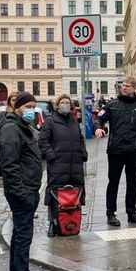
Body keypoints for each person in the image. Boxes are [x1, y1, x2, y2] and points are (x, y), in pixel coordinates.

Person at [0, 92, 43, 271]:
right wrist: (22, 194)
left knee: (22, 234)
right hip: (22, 191)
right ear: (17, 108)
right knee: (23, 236)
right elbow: (8, 165)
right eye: (27, 107)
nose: (31, 110)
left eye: (33, 107)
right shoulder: (11, 128)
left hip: (29, 188)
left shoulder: (23, 126)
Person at [95, 76, 136, 226]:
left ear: (135, 88)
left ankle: (131, 212)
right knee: (113, 182)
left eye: (128, 86)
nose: (124, 88)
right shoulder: (112, 104)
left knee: (132, 183)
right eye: (123, 85)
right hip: (116, 150)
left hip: (135, 151)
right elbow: (99, 118)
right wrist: (98, 128)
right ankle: (110, 213)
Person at [39, 94, 88, 237]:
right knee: (54, 195)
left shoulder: (73, 122)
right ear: (57, 105)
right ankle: (52, 223)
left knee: (73, 195)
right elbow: (43, 141)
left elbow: (80, 140)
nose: (65, 104)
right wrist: (51, 156)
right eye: (63, 102)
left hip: (75, 166)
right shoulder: (50, 122)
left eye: (68, 102)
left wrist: (83, 154)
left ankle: (71, 223)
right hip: (58, 166)